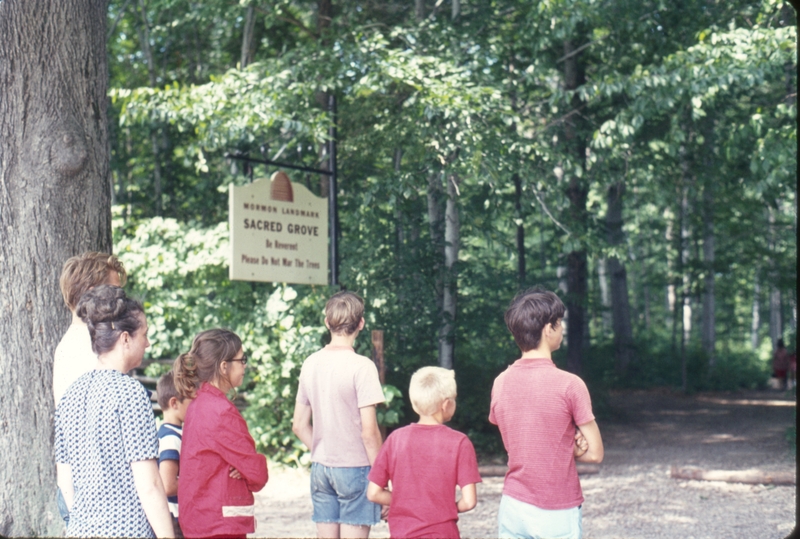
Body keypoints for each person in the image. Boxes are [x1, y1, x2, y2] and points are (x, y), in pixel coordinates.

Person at [54, 285, 173, 538]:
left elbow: (65, 483)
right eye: (145, 334)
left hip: (80, 531)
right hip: (127, 531)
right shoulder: (130, 394)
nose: (148, 343)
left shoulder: (69, 397)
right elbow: (149, 484)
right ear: (125, 338)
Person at [489, 287, 603, 539]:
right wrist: (570, 447)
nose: (561, 328)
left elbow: (522, 443)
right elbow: (595, 453)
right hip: (556, 508)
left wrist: (557, 444)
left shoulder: (500, 382)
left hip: (513, 505)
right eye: (559, 322)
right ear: (547, 328)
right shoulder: (570, 384)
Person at [292, 291, 385, 539]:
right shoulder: (362, 367)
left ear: (327, 322)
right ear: (361, 324)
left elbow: (299, 425)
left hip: (321, 468)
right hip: (356, 468)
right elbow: (369, 432)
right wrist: (381, 477)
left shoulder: (310, 363)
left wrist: (324, 451)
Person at [366, 366, 482, 539]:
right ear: (446, 404)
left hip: (402, 533)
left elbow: (374, 493)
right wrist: (442, 507)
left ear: (414, 404)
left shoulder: (396, 439)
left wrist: (408, 503)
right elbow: (469, 501)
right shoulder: (460, 442)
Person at [174, 329, 268, 539]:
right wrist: (246, 470)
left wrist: (242, 468)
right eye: (241, 359)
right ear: (224, 366)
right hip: (219, 525)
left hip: (200, 520)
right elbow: (257, 474)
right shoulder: (221, 410)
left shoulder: (198, 404)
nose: (245, 365)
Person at [156, 371, 194, 537]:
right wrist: (200, 483)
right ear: (175, 403)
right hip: (175, 519)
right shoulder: (171, 438)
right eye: (191, 401)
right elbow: (167, 485)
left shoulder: (170, 433)